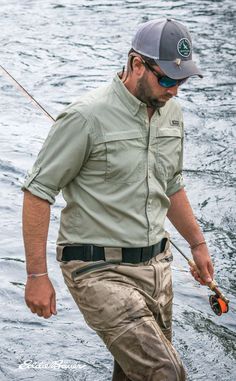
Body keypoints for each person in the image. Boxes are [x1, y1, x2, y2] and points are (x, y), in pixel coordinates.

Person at [22, 18, 214, 381]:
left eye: (183, 80)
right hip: (97, 270)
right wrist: (36, 275)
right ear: (137, 64)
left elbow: (171, 184)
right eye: (169, 80)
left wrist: (198, 244)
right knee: (166, 374)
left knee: (134, 374)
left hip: (157, 269)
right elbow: (37, 192)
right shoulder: (84, 117)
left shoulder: (172, 112)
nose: (175, 91)